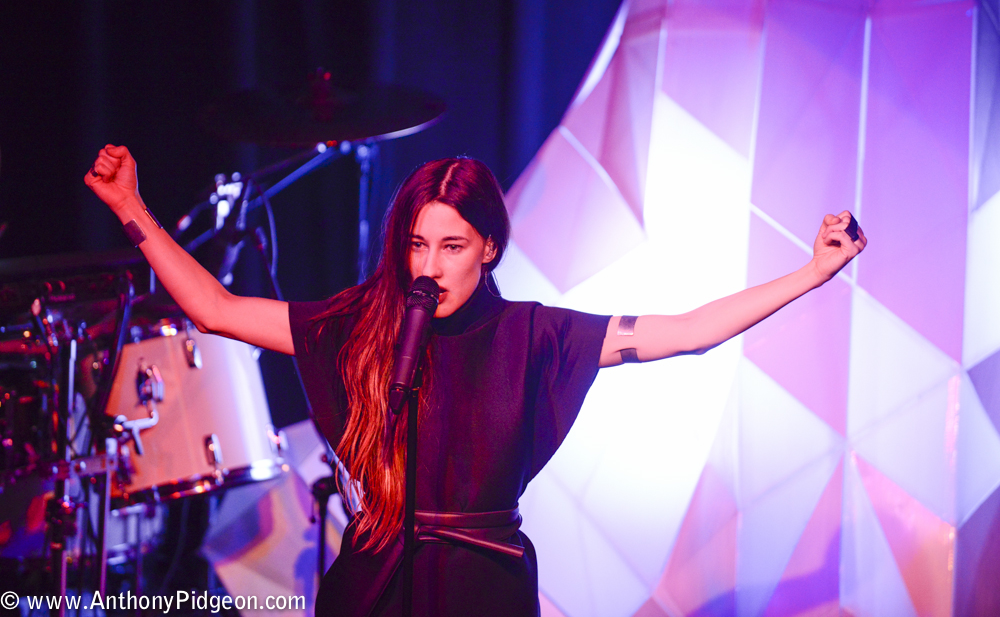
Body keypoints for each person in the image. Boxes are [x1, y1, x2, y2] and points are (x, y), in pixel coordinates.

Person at [86, 144, 866, 616]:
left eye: (451, 245)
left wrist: (811, 272)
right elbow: (216, 308)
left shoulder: (534, 334)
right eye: (417, 245)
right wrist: (131, 206)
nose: (428, 266)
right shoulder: (364, 323)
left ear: (488, 246)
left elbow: (688, 333)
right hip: (374, 579)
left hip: (481, 587)